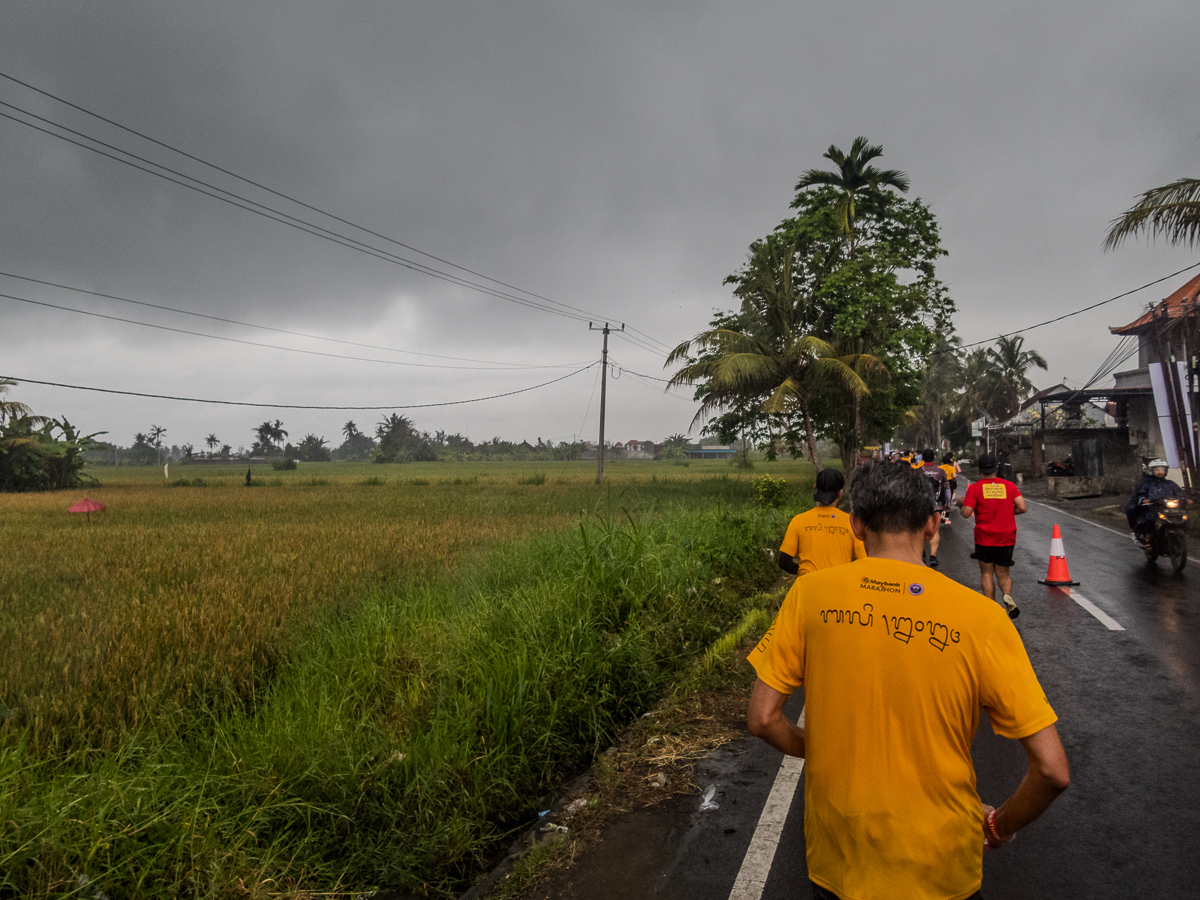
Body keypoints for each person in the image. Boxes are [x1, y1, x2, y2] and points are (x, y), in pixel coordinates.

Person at [747, 461, 1069, 900]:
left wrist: (823, 750)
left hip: (839, 857)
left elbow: (763, 719)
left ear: (857, 525)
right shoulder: (983, 619)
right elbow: (1052, 771)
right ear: (933, 524)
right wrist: (997, 826)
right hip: (942, 862)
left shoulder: (809, 596)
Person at [959, 452, 1026, 613]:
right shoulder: (1009, 486)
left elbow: (967, 513)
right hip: (1006, 537)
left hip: (985, 538)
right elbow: (1022, 507)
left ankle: (991, 609)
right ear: (996, 468)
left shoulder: (975, 489)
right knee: (1003, 574)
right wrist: (1008, 512)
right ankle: (1007, 595)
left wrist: (961, 503)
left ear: (979, 469)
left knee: (987, 573)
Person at [777, 468, 866, 576]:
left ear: (815, 488)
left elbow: (784, 561)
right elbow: (863, 561)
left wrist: (804, 573)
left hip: (808, 586)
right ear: (840, 493)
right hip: (838, 587)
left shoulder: (799, 521)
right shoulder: (851, 523)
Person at [1124, 458, 1186, 546]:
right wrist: (1144, 499)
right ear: (1152, 471)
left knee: (1183, 517)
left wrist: (1185, 498)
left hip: (1167, 508)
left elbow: (1179, 492)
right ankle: (1148, 540)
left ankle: (1179, 536)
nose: (1160, 472)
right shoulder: (1146, 483)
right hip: (1152, 507)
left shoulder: (1170, 483)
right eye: (1157, 470)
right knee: (1150, 519)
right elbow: (1139, 494)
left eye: (1162, 470)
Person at [917, 448, 949, 567]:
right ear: (934, 457)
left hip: (921, 505)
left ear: (922, 457)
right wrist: (948, 503)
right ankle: (933, 556)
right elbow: (947, 489)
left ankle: (923, 553)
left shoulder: (918, 471)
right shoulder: (941, 472)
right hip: (937, 504)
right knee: (935, 529)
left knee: (921, 528)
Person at [939, 453, 961, 526]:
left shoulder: (939, 468)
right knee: (948, 501)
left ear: (942, 462)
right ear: (949, 461)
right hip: (950, 484)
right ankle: (947, 519)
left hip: (941, 484)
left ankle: (941, 514)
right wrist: (954, 480)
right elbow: (954, 477)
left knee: (941, 500)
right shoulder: (952, 468)